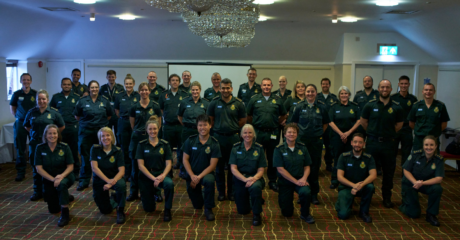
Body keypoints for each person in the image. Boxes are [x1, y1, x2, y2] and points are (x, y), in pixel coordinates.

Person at [360, 79, 403, 208]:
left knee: (388, 172)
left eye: (387, 87)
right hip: (372, 143)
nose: (385, 90)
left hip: (389, 144)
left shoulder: (397, 107)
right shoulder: (370, 105)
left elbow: (399, 125)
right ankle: (367, 196)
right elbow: (363, 122)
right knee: (368, 170)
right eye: (382, 87)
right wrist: (374, 132)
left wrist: (386, 134)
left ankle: (387, 198)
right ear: (378, 89)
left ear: (391, 89)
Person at [208, 78, 247, 201]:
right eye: (223, 88)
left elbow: (243, 121)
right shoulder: (214, 102)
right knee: (219, 168)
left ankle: (231, 192)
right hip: (218, 138)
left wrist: (232, 128)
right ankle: (221, 192)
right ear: (219, 88)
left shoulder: (238, 103)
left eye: (228, 88)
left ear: (232, 88)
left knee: (233, 167)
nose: (225, 90)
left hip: (233, 138)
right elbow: (210, 120)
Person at [291, 84, 330, 205]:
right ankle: (302, 193)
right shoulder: (299, 106)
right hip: (302, 141)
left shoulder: (322, 107)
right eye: (308, 91)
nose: (310, 94)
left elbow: (325, 124)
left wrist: (318, 134)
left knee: (314, 167)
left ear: (316, 93)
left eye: (312, 91)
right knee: (301, 167)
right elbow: (294, 123)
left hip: (316, 142)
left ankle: (314, 194)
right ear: (305, 93)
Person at [246, 77, 287, 192]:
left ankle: (272, 181)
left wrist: (276, 123)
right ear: (261, 86)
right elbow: (248, 115)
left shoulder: (278, 100)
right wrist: (255, 124)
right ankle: (256, 179)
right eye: (264, 85)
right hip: (258, 132)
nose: (266, 87)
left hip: (273, 133)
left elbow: (284, 115)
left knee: (272, 157)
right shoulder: (254, 99)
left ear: (272, 86)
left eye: (268, 85)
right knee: (256, 156)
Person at [24, 89, 65, 201]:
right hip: (35, 143)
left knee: (51, 166)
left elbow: (61, 127)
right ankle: (37, 191)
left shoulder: (54, 112)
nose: (41, 101)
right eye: (39, 99)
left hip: (50, 144)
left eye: (43, 99)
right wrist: (35, 135)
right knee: (36, 167)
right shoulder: (31, 112)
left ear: (47, 100)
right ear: (36, 100)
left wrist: (52, 137)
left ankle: (53, 189)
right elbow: (27, 126)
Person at [73, 80, 113, 191]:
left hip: (101, 134)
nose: (94, 89)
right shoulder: (82, 101)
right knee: (85, 157)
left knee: (102, 156)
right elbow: (77, 116)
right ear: (89, 89)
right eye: (92, 87)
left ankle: (102, 179)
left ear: (98, 88)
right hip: (86, 132)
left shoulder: (104, 101)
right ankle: (84, 180)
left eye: (96, 87)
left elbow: (109, 116)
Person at [182, 114, 221, 221]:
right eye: (200, 125)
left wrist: (198, 177)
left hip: (206, 174)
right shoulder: (190, 141)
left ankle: (208, 208)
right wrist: (192, 175)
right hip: (192, 174)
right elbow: (185, 160)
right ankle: (202, 197)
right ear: (197, 126)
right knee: (197, 205)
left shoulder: (214, 143)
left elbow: (213, 165)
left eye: (205, 125)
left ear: (210, 126)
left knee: (209, 181)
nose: (202, 128)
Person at [273, 123, 315, 224]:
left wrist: (304, 179)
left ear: (297, 134)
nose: (291, 134)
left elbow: (307, 166)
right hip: (285, 181)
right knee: (286, 212)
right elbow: (280, 169)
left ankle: (305, 214)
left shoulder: (303, 147)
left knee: (306, 192)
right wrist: (296, 181)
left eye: (294, 132)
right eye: (289, 132)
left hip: (301, 179)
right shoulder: (279, 149)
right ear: (285, 134)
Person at [127, 82, 162, 201]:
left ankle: (156, 192)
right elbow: (132, 124)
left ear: (149, 91)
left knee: (153, 166)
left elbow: (159, 124)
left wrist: (151, 134)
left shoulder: (155, 106)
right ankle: (133, 192)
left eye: (146, 90)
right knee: (134, 167)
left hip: (151, 138)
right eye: (142, 90)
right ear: (139, 92)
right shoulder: (134, 107)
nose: (144, 92)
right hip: (137, 138)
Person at [35, 124, 75, 227]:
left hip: (65, 176)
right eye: (49, 133)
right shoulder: (40, 148)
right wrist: (53, 179)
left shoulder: (65, 147)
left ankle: (65, 214)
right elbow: (39, 169)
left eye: (54, 133)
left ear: (58, 134)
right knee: (53, 210)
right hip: (49, 179)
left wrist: (60, 177)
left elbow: (70, 167)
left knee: (61, 185)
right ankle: (64, 195)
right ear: (45, 135)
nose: (52, 135)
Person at [400, 135, 444, 227]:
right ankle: (404, 205)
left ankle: (431, 215)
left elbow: (439, 179)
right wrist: (415, 182)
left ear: (436, 146)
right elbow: (406, 170)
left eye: (432, 145)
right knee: (414, 214)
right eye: (426, 145)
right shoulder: (415, 154)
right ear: (423, 146)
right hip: (410, 183)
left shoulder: (439, 159)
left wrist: (422, 183)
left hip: (425, 184)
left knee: (437, 188)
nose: (429, 147)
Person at [136, 116, 174, 221]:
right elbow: (140, 166)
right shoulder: (141, 145)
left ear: (158, 129)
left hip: (161, 173)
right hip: (146, 176)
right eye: (150, 129)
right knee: (149, 209)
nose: (153, 131)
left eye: (155, 129)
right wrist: (154, 178)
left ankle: (167, 209)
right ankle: (151, 196)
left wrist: (162, 176)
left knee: (169, 184)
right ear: (147, 130)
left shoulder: (165, 145)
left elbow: (169, 164)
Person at [229, 124, 266, 226]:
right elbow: (233, 169)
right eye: (245, 132)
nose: (247, 135)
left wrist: (253, 179)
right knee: (242, 211)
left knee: (255, 188)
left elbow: (261, 170)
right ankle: (252, 199)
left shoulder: (259, 149)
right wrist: (245, 180)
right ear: (241, 135)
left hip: (255, 178)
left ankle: (257, 214)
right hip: (240, 179)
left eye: (250, 132)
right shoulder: (235, 148)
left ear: (254, 134)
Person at [335, 133, 376, 223]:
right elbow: (339, 177)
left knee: (370, 187)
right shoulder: (343, 156)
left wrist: (360, 186)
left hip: (362, 186)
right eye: (355, 142)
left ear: (364, 144)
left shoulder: (368, 158)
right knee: (343, 215)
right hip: (346, 187)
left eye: (360, 142)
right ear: (351, 143)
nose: (357, 144)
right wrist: (354, 185)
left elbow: (373, 175)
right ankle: (342, 204)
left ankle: (364, 212)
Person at [90, 127, 126, 224]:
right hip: (100, 179)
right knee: (105, 210)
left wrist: (111, 183)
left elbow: (122, 171)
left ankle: (120, 210)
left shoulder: (118, 151)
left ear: (112, 137)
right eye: (103, 136)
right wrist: (107, 180)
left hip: (115, 178)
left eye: (108, 135)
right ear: (100, 138)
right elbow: (94, 168)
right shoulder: (95, 149)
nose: (105, 138)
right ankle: (113, 199)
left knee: (121, 186)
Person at [328, 86, 361, 189]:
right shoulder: (334, 106)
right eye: (342, 93)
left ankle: (349, 179)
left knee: (350, 157)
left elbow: (359, 121)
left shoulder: (354, 106)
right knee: (337, 157)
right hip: (337, 137)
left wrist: (348, 133)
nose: (344, 95)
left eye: (346, 93)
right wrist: (341, 134)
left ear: (349, 95)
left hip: (351, 137)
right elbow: (330, 121)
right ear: (339, 95)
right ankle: (335, 179)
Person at [50, 77, 81, 179]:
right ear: (61, 85)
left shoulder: (77, 97)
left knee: (74, 150)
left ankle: (76, 171)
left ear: (71, 86)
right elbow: (51, 112)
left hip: (73, 127)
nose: (66, 86)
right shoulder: (56, 97)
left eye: (68, 84)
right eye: (64, 84)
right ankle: (62, 171)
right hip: (60, 129)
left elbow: (81, 113)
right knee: (60, 150)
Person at [10, 73, 37, 182]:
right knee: (20, 148)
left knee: (33, 147)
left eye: (28, 80)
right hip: (20, 123)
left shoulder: (35, 94)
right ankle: (21, 172)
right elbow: (13, 108)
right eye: (24, 80)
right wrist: (19, 117)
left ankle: (35, 169)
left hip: (32, 124)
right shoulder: (16, 94)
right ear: (21, 81)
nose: (26, 81)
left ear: (31, 81)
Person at [159, 74, 190, 169]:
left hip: (181, 126)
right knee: (167, 148)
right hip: (168, 126)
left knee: (182, 147)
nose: (175, 82)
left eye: (177, 80)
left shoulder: (185, 95)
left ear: (179, 82)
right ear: (169, 82)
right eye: (173, 80)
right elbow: (161, 109)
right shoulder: (163, 95)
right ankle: (168, 168)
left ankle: (181, 167)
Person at [177, 81, 210, 169]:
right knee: (185, 150)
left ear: (200, 90)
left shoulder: (206, 103)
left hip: (200, 131)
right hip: (187, 130)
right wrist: (185, 124)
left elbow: (209, 118)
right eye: (193, 90)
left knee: (200, 149)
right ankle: (183, 169)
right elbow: (179, 116)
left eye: (197, 90)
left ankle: (200, 168)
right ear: (190, 90)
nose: (195, 92)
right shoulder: (184, 102)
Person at [408, 83, 450, 151]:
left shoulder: (440, 106)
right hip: (419, 140)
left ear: (434, 92)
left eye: (430, 90)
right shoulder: (416, 105)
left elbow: (444, 123)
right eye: (426, 90)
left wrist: (436, 132)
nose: (428, 92)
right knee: (417, 159)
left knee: (433, 160)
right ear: (422, 91)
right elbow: (411, 123)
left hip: (433, 139)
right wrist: (420, 131)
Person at [114, 74, 140, 180]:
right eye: (126, 84)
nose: (128, 85)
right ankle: (126, 173)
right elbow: (116, 111)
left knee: (134, 149)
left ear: (133, 84)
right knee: (124, 149)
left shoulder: (138, 96)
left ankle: (135, 172)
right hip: (123, 123)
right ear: (124, 84)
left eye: (130, 84)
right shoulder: (119, 96)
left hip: (135, 124)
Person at [390, 75, 418, 167]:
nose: (403, 85)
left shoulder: (413, 99)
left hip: (407, 129)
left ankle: (405, 172)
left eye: (406, 84)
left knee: (406, 152)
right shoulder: (392, 98)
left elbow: (415, 115)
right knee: (392, 151)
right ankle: (391, 170)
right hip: (395, 129)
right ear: (398, 84)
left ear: (409, 84)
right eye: (402, 83)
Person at [316, 78, 338, 172]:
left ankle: (329, 164)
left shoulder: (334, 98)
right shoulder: (316, 97)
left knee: (329, 147)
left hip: (330, 127)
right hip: (319, 125)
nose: (325, 85)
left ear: (329, 85)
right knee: (318, 147)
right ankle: (317, 165)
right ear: (321, 85)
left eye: (327, 84)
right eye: (323, 84)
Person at [99, 70, 125, 142]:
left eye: (112, 77)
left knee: (118, 133)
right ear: (106, 77)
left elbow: (123, 100)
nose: (111, 78)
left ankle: (118, 149)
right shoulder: (103, 88)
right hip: (107, 114)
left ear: (115, 77)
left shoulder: (120, 88)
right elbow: (99, 100)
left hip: (117, 114)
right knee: (107, 133)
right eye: (109, 77)